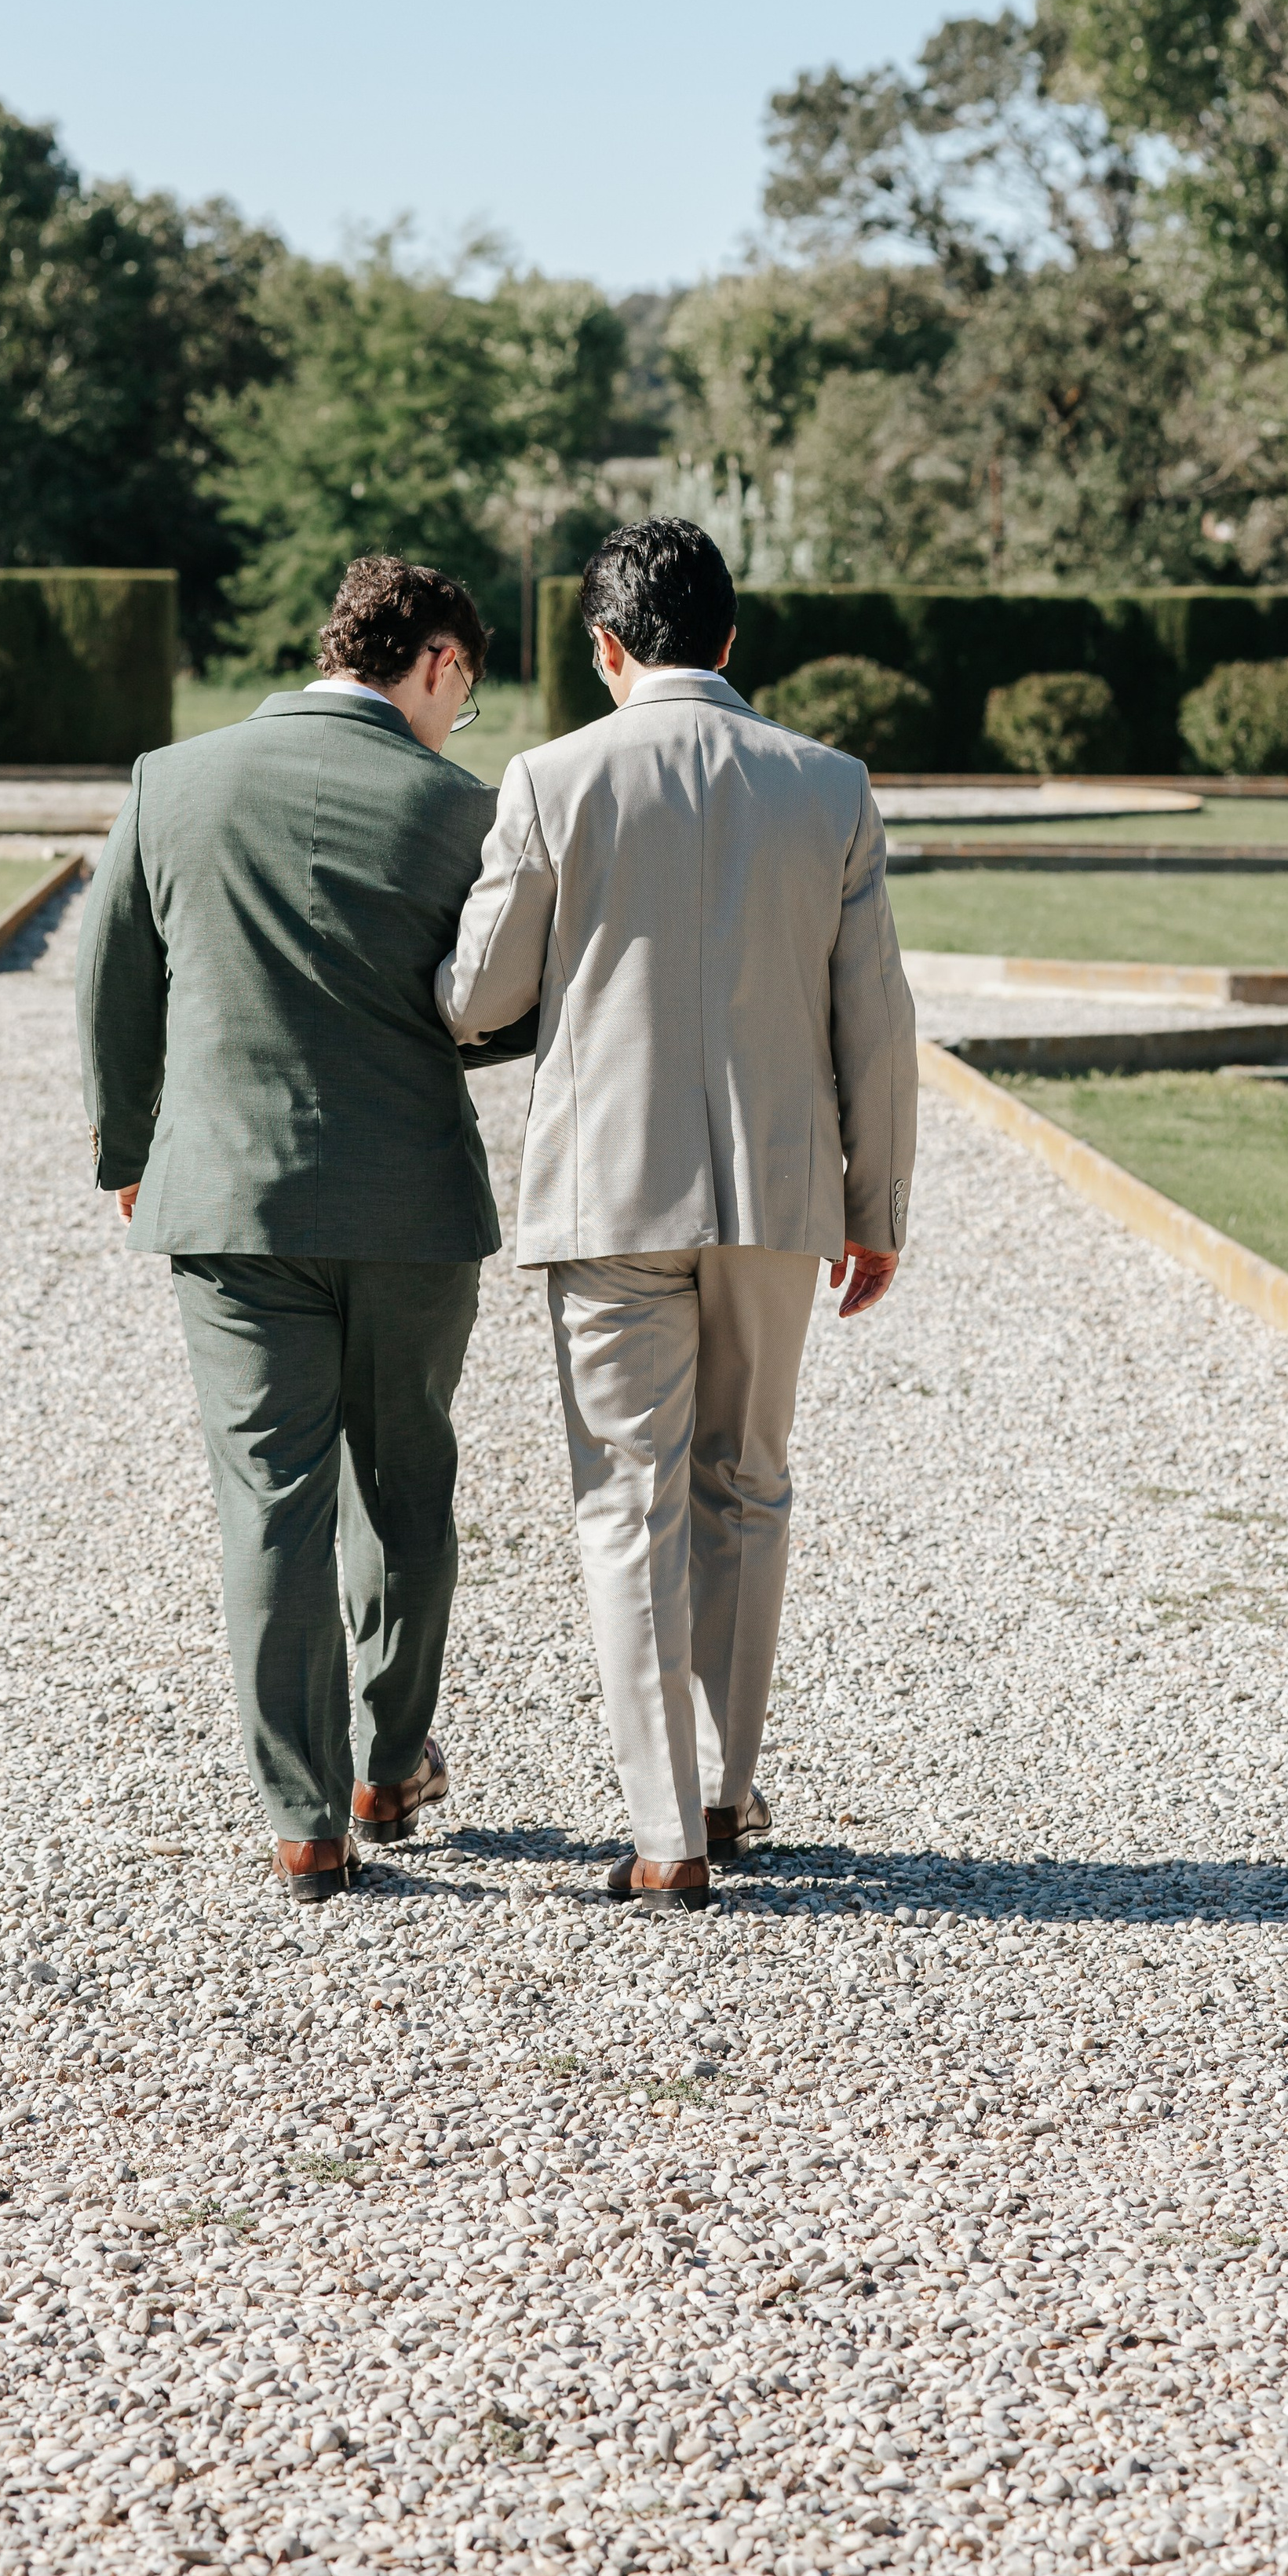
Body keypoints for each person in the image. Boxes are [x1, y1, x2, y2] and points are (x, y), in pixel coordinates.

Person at [436, 517, 917, 1910]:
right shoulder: (830, 785)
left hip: (607, 1192)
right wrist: (873, 1207)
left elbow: (478, 1001)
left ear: (603, 648)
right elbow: (875, 1022)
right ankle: (728, 1781)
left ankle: (667, 1834)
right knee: (748, 1484)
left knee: (624, 1501)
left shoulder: (549, 778)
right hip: (777, 1194)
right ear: (729, 640)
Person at [76, 557, 532, 1906]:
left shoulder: (174, 780)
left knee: (271, 1499)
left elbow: (113, 984)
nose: (464, 718)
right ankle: (393, 1764)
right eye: (466, 691)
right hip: (412, 1208)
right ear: (438, 663)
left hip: (231, 1201)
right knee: (404, 1485)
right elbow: (506, 1006)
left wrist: (126, 1148)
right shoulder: (465, 811)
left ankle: (304, 1818)